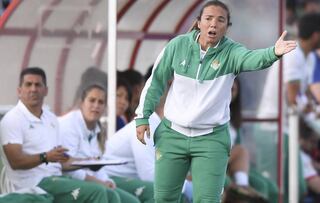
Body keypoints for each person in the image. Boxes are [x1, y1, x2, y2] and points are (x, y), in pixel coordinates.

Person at [135, 1, 297, 202]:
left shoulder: (232, 52)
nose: (213, 24)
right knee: (164, 199)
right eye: (208, 18)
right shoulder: (177, 46)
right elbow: (155, 82)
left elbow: (252, 58)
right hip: (172, 135)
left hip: (211, 139)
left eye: (221, 20)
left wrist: (273, 52)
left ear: (227, 27)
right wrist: (142, 117)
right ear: (199, 22)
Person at [0, 67, 109, 202]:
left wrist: (87, 162)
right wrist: (45, 157)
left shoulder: (51, 119)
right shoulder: (13, 119)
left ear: (46, 90)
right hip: (33, 183)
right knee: (97, 192)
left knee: (110, 193)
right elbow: (15, 161)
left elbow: (60, 160)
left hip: (56, 179)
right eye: (28, 84)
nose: (33, 89)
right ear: (19, 90)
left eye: (38, 85)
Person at [59, 83, 140, 203]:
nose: (96, 106)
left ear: (105, 107)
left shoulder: (97, 128)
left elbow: (98, 164)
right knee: (108, 195)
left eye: (101, 102)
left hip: (88, 181)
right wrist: (99, 182)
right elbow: (68, 167)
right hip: (65, 179)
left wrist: (108, 181)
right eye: (92, 100)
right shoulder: (69, 124)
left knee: (131, 201)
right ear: (82, 103)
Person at [284, 12, 320, 106]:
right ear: (315, 36)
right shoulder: (293, 54)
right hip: (280, 119)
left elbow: (306, 95)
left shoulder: (310, 56)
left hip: (294, 118)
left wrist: (314, 109)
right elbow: (293, 102)